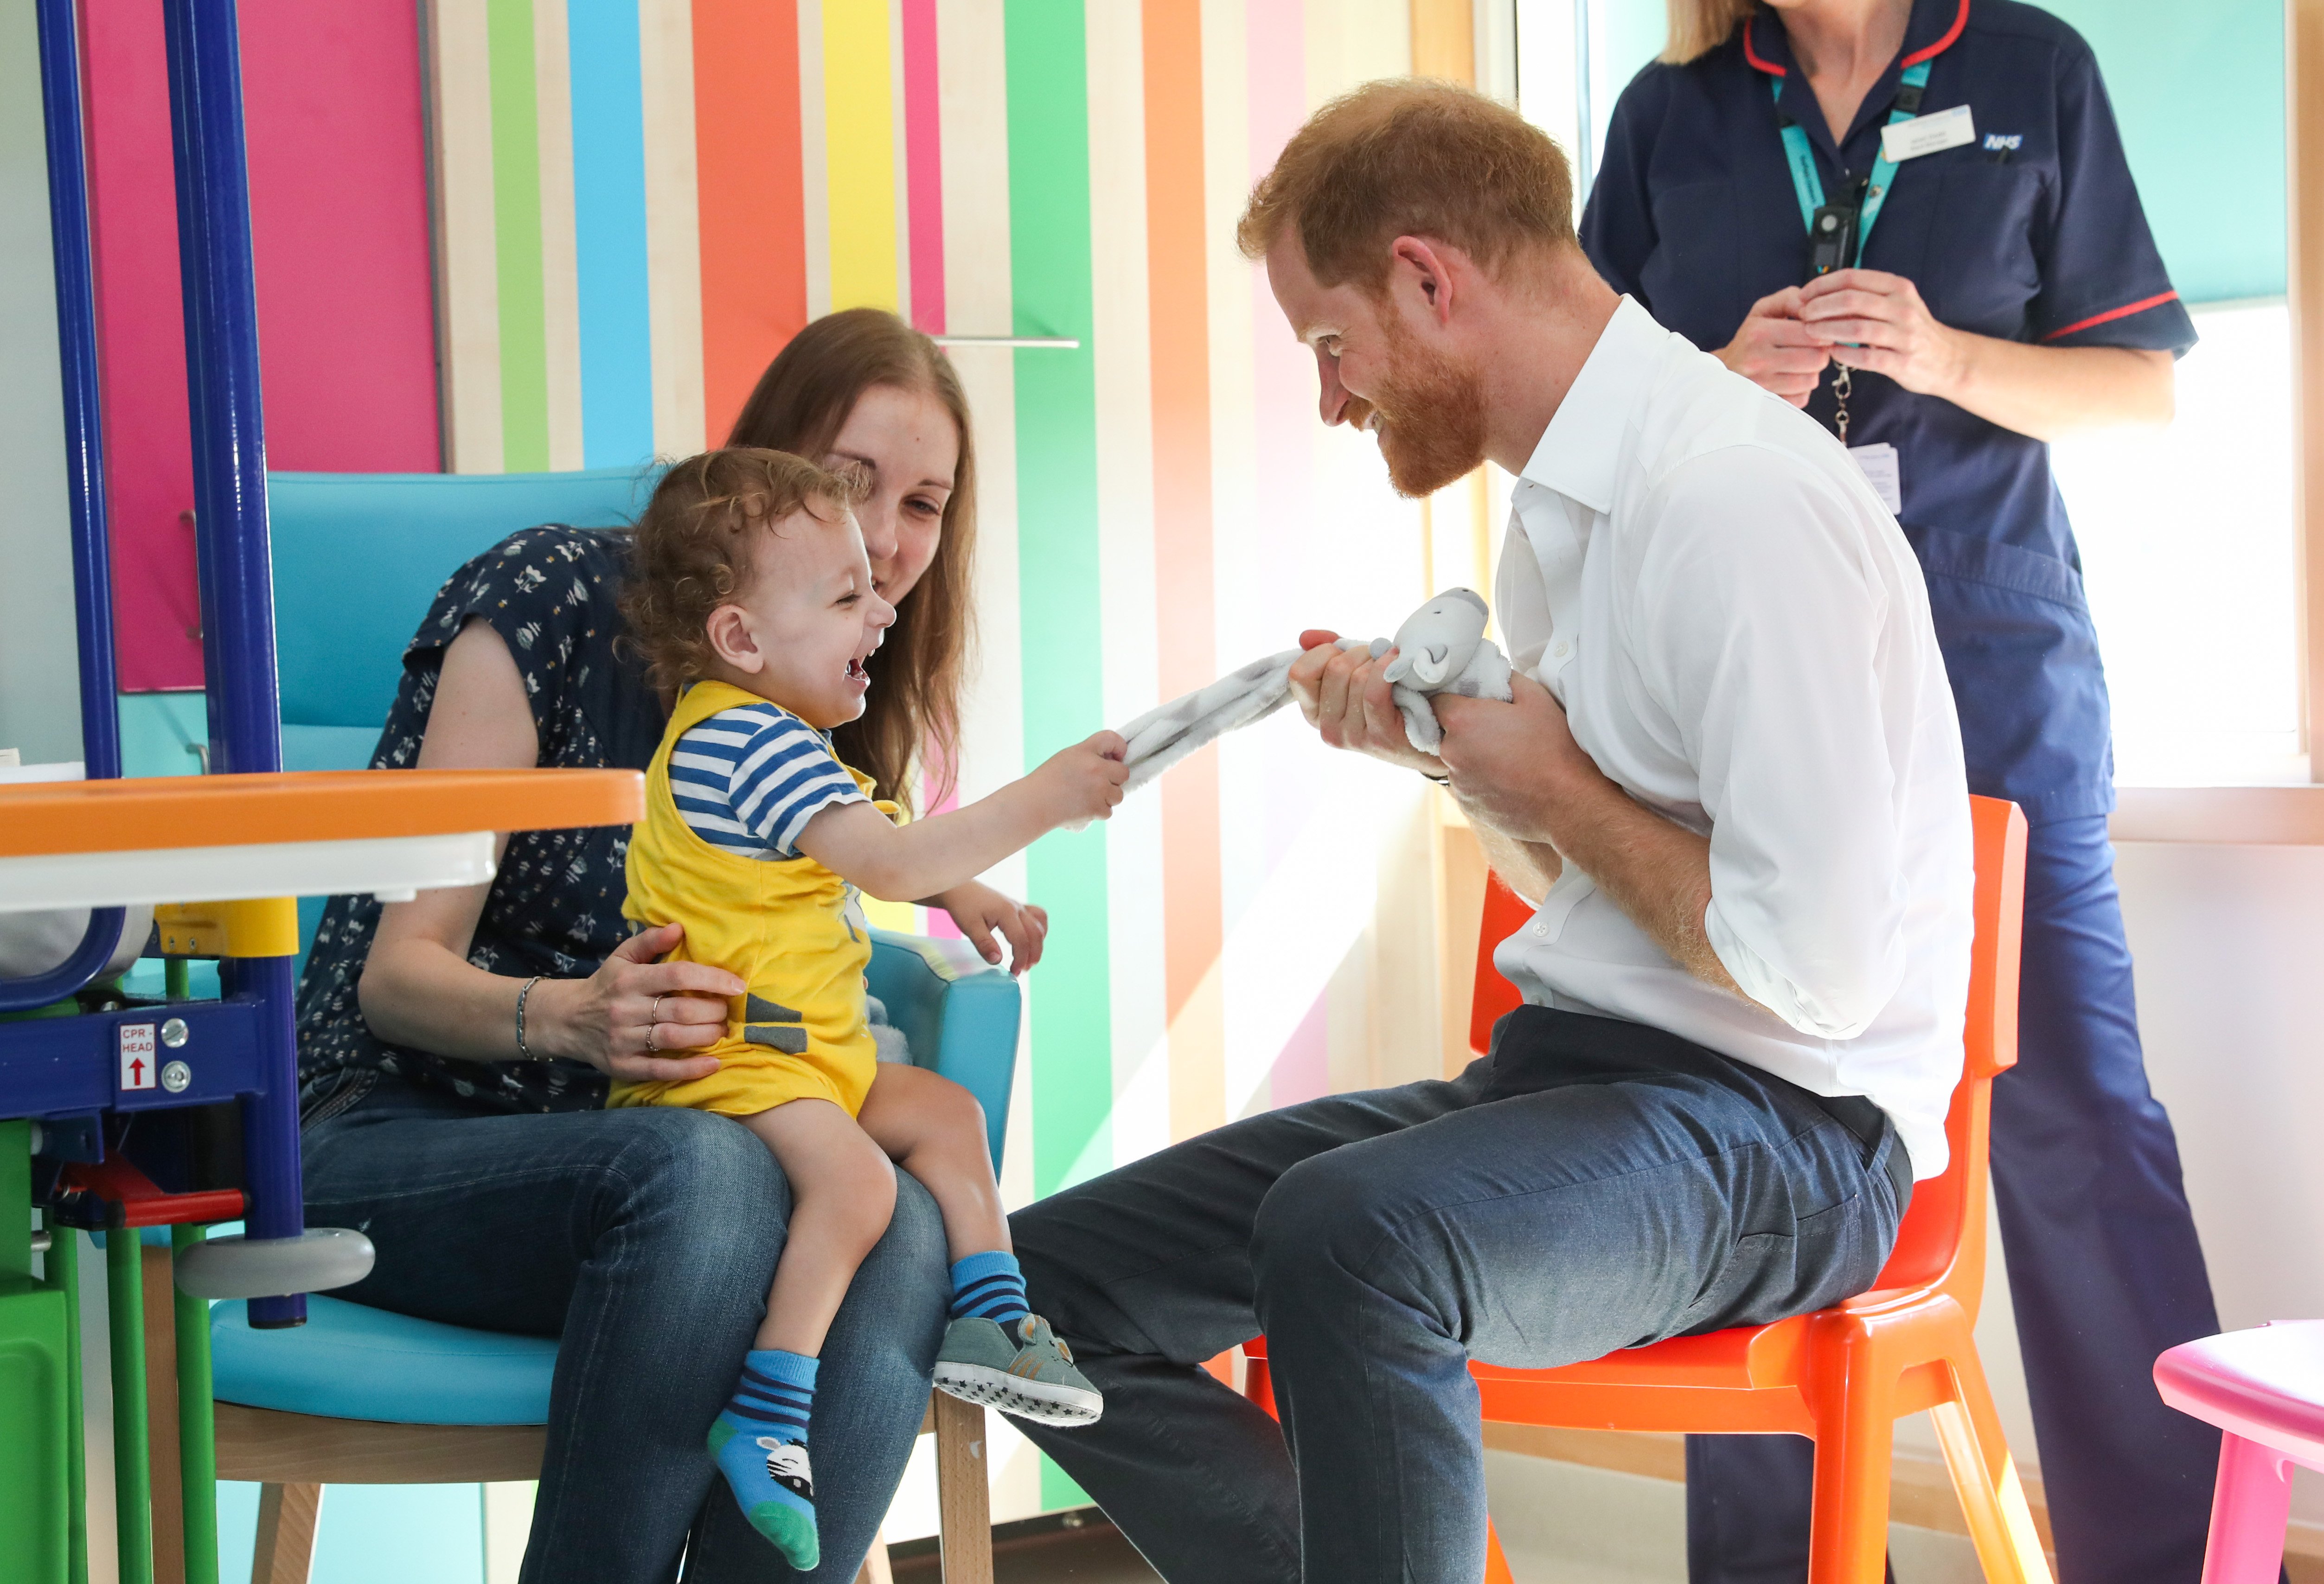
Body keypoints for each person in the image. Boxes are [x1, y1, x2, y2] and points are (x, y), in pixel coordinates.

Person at [1005, 80, 1972, 1584]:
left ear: (1425, 278)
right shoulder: (1562, 516)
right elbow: (1609, 874)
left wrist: (1551, 787)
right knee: (1027, 1286)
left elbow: (1823, 972)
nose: (1330, 398)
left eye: (1331, 346)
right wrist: (1449, 757)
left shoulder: (1732, 506)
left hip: (1795, 1132)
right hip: (1582, 1079)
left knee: (1353, 1233)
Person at [1578, 3, 2223, 1578]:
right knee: (1752, 1106)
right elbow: (1584, 414)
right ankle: (1770, 1566)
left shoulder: (2029, 69)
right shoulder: (1672, 110)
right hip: (1753, 673)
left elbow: (2140, 387)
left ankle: (2175, 1553)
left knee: (2073, 1107)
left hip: (1996, 654)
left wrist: (1942, 357)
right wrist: (1722, 374)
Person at [294, 309, 1023, 1583]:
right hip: (391, 1126)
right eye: (851, 484)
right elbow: (396, 980)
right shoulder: (547, 600)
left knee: (896, 1228)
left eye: (924, 503)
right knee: (710, 1183)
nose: (888, 544)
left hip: (659, 1151)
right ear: (768, 467)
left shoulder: (818, 694)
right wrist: (574, 1015)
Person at [609, 448, 1121, 1568]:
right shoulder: (738, 738)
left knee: (943, 1113)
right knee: (854, 1183)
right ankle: (769, 1410)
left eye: (872, 586)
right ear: (742, 639)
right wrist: (1045, 798)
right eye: (846, 594)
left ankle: (994, 1311)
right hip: (732, 1065)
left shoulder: (778, 744)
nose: (883, 610)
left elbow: (879, 843)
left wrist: (967, 888)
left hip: (807, 1058)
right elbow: (885, 863)